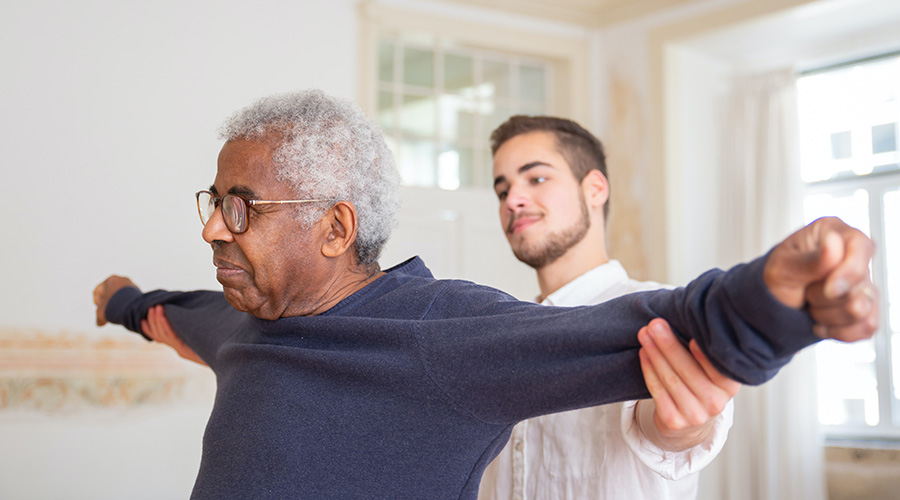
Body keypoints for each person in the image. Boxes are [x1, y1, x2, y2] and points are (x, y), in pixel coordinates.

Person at [93, 89, 878, 500]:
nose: (214, 232)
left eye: (242, 209)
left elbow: (640, 329)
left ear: (335, 229)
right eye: (214, 203)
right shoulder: (239, 322)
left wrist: (777, 301)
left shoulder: (440, 333)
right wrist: (124, 300)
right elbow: (174, 314)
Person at [480, 116, 739, 500]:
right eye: (503, 191)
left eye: (535, 179)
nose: (512, 200)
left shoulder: (660, 314)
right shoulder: (495, 336)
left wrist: (683, 427)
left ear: (595, 189)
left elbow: (670, 433)